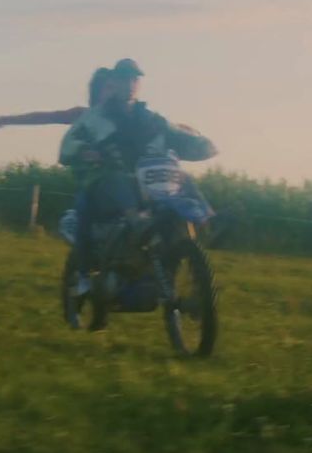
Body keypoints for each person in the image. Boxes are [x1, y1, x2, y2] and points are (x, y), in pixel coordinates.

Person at [59, 58, 216, 299]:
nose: (130, 84)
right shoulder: (94, 118)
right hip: (106, 183)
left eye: (134, 79)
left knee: (181, 179)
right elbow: (68, 146)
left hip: (150, 182)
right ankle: (136, 221)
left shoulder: (152, 118)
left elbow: (176, 134)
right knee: (117, 180)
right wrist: (84, 151)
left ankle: (207, 224)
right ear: (114, 82)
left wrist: (202, 144)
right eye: (124, 79)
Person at [0, 68, 112, 131]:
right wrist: (6, 120)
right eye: (106, 88)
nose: (110, 93)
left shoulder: (130, 113)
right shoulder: (84, 115)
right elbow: (45, 117)